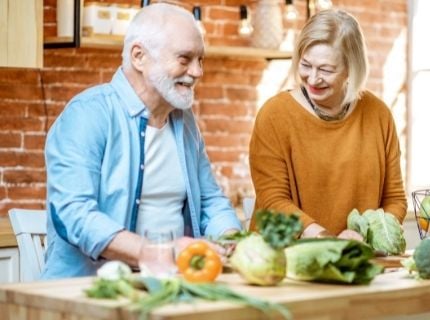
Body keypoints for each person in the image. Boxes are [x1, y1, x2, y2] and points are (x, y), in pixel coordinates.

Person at [43, 3, 242, 279]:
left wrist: (232, 242)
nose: (197, 72)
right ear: (139, 56)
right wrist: (162, 252)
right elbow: (75, 215)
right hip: (89, 291)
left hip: (171, 283)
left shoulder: (183, 121)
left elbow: (211, 202)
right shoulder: (88, 114)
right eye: (185, 59)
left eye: (200, 60)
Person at [249, 9, 407, 240]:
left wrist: (366, 235)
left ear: (351, 70)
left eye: (326, 69)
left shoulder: (378, 115)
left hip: (356, 259)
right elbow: (274, 200)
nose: (313, 79)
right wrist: (327, 241)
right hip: (283, 261)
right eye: (306, 65)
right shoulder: (274, 115)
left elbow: (394, 199)